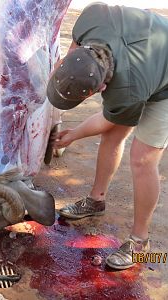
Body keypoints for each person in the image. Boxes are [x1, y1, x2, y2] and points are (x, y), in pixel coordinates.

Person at [46, 2, 168, 270]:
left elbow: (107, 120)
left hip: (163, 78)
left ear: (99, 88)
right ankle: (96, 200)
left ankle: (140, 242)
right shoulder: (90, 17)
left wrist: (73, 135)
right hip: (145, 49)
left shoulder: (127, 88)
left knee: (143, 159)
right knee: (112, 139)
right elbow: (71, 53)